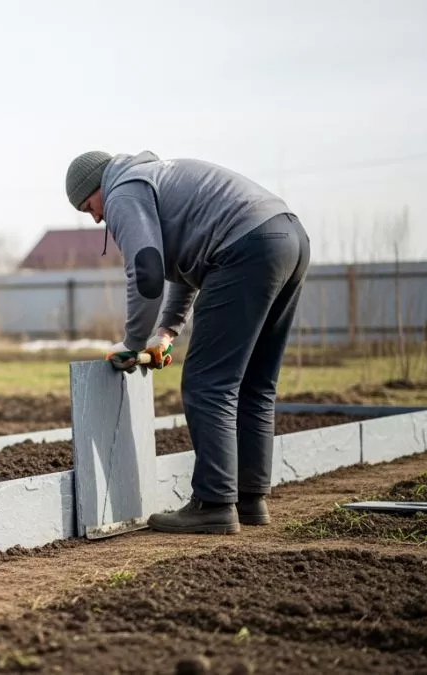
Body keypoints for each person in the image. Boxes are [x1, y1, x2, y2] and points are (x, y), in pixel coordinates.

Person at [64, 150, 310, 535]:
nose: (97, 217)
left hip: (245, 246)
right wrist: (165, 333)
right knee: (255, 383)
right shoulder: (156, 180)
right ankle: (249, 499)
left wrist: (131, 342)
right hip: (288, 238)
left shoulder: (123, 191)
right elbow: (186, 268)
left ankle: (213, 504)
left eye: (89, 207)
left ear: (97, 187)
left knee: (207, 384)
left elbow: (146, 271)